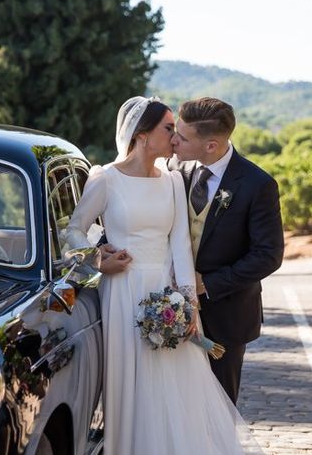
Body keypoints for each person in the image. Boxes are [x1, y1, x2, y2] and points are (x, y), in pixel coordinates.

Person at [63, 96, 260, 455]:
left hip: (166, 293)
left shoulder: (172, 181)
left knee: (178, 388)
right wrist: (97, 259)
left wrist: (189, 306)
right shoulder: (104, 178)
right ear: (141, 135)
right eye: (168, 129)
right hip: (122, 290)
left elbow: (181, 246)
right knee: (131, 384)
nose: (175, 137)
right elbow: (73, 233)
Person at [170, 97, 284, 405]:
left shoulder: (257, 184)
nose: (173, 139)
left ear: (210, 145)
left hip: (226, 317)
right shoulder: (173, 171)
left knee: (218, 408)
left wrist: (207, 283)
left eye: (182, 136)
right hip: (169, 313)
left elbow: (268, 254)